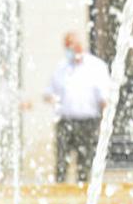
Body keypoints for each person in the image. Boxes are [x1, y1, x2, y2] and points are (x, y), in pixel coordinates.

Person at [44, 32, 111, 183]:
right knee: (61, 161)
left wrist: (105, 120)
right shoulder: (61, 67)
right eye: (66, 46)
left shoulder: (96, 66)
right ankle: (60, 192)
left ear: (79, 45)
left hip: (88, 121)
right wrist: (51, 99)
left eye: (71, 45)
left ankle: (83, 192)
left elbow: (104, 97)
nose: (69, 50)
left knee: (85, 161)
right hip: (65, 121)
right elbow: (49, 92)